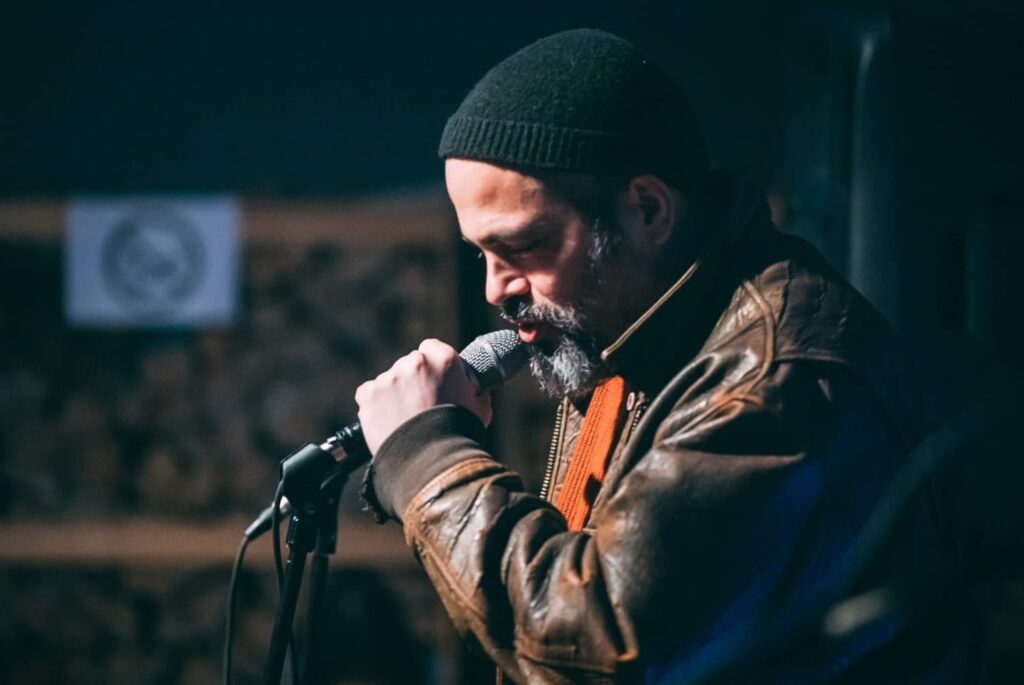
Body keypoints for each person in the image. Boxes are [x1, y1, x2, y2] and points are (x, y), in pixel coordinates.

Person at [356, 29, 975, 683]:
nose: (496, 289)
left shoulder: (770, 385)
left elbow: (596, 645)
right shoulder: (631, 330)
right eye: (482, 254)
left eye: (525, 245)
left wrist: (429, 458)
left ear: (648, 209)